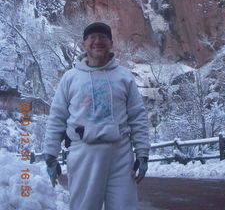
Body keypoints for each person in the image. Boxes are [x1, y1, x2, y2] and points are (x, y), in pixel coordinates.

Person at [44, 22, 150, 210]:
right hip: (84, 152)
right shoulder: (70, 78)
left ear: (111, 42)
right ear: (84, 44)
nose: (97, 41)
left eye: (103, 37)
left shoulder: (124, 76)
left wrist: (143, 153)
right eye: (92, 37)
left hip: (121, 154)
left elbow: (137, 116)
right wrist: (50, 155)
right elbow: (57, 118)